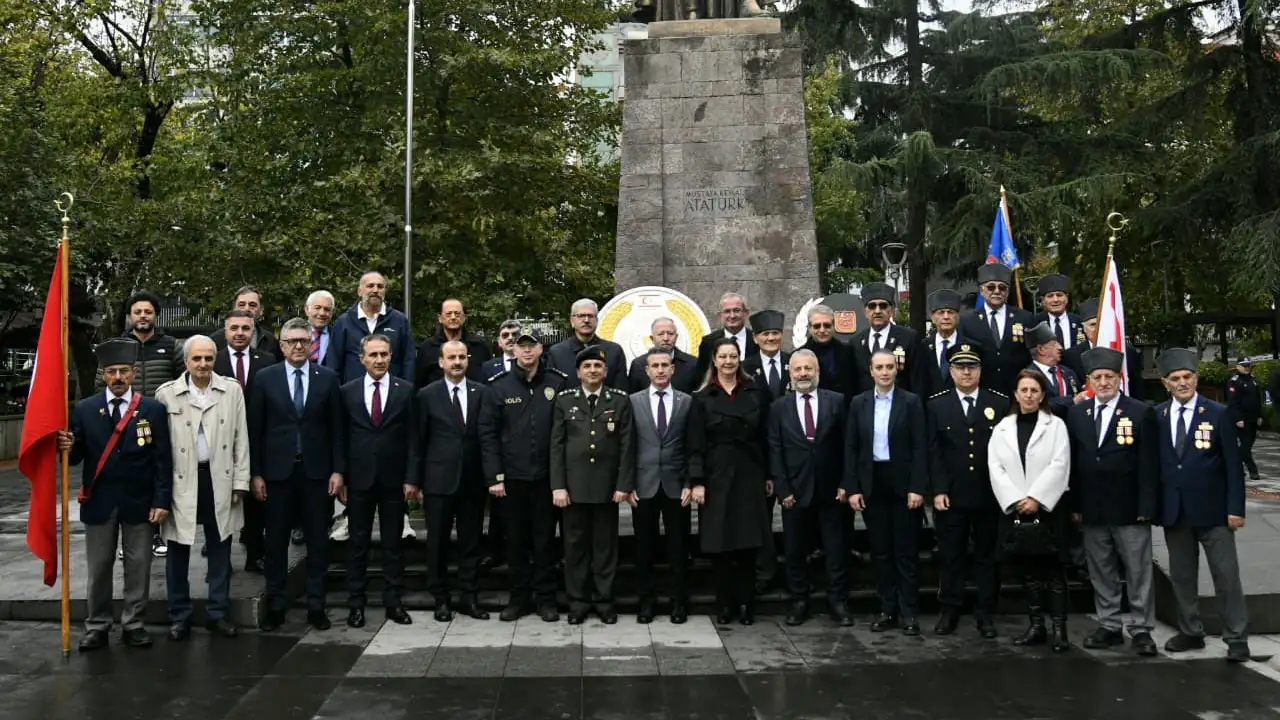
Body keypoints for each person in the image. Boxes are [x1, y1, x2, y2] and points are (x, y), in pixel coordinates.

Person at [58, 339, 172, 651]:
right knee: (98, 568)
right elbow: (77, 455)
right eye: (111, 372)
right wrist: (68, 448)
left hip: (140, 501)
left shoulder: (152, 410)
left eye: (123, 371)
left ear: (134, 373)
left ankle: (134, 623)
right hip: (99, 501)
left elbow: (163, 460)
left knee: (138, 566)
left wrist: (162, 501)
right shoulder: (84, 409)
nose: (118, 377)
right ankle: (97, 625)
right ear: (103, 375)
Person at [249, 317, 346, 632]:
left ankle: (317, 606)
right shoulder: (265, 379)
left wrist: (338, 470)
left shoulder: (328, 378)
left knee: (318, 542)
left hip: (317, 474)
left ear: (312, 344)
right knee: (275, 543)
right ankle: (276, 605)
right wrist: (256, 474)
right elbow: (255, 431)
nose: (299, 346)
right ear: (282, 345)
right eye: (292, 341)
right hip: (277, 474)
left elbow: (337, 430)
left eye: (304, 340)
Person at [1154, 348, 1250, 662]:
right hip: (1176, 512)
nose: (1182, 383)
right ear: (1165, 383)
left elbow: (1233, 467)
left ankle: (1236, 637)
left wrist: (1236, 508)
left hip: (1215, 513)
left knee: (1226, 577)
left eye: (1187, 377)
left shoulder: (1218, 413)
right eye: (1175, 379)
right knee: (1182, 578)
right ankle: (1191, 632)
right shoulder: (1157, 415)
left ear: (1196, 378)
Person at [1066, 347, 1160, 657]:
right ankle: (1109, 624)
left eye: (1109, 376)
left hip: (1130, 506)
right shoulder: (1078, 412)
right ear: (1088, 380)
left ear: (1120, 379)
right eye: (1098, 377)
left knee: (1137, 570)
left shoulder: (1140, 411)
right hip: (1092, 507)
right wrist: (1076, 505)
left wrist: (1148, 506)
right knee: (1101, 570)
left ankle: (1142, 628)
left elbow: (1149, 464)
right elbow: (1076, 462)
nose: (1104, 382)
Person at [154, 335, 247, 640]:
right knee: (178, 549)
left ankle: (218, 613)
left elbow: (240, 439)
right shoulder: (166, 394)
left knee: (220, 547)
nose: (203, 365)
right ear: (186, 361)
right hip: (183, 480)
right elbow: (160, 447)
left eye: (208, 358)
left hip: (218, 477)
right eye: (197, 359)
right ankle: (179, 615)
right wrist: (161, 490)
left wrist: (240, 482)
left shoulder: (231, 390)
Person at [478, 331, 570, 623]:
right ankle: (518, 599)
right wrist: (494, 477)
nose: (527, 351)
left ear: (541, 349)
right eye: (521, 346)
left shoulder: (558, 382)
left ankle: (545, 599)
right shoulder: (498, 386)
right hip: (511, 480)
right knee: (515, 542)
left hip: (546, 479)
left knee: (544, 542)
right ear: (512, 351)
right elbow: (488, 435)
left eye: (532, 346)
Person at [927, 343, 1008, 638]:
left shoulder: (998, 403)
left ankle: (985, 614)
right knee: (951, 556)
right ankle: (950, 610)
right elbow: (933, 452)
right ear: (951, 370)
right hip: (951, 495)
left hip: (989, 495)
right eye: (960, 367)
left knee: (988, 556)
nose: (966, 372)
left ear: (980, 370)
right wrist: (937, 489)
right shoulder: (937, 404)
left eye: (971, 366)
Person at [988, 370, 1072, 653]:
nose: (1029, 395)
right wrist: (1016, 499)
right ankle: (1036, 626)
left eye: (1034, 390)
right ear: (1015, 394)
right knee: (1028, 572)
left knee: (1053, 572)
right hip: (1016, 510)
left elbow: (1060, 465)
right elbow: (995, 468)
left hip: (1049, 509)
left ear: (1043, 395)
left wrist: (1036, 497)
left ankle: (1059, 629)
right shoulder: (1002, 428)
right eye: (1023, 390)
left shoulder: (1056, 425)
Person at [689, 337, 771, 625]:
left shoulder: (756, 391)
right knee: (720, 546)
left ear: (740, 359)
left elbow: (767, 437)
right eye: (722, 357)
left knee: (748, 545)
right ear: (714, 360)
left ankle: (747, 604)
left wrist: (769, 474)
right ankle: (724, 604)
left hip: (749, 474)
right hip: (716, 476)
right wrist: (696, 481)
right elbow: (695, 443)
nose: (727, 362)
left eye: (732, 356)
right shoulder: (701, 397)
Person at [409, 340, 493, 622]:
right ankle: (440, 599)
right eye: (451, 357)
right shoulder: (426, 395)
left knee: (471, 543)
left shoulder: (481, 393)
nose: (457, 362)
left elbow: (487, 437)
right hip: (438, 481)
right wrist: (414, 480)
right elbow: (417, 441)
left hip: (472, 481)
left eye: (461, 357)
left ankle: (469, 598)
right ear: (441, 362)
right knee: (437, 544)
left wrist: (492, 477)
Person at [845, 350, 928, 635]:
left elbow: (920, 447)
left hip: (903, 482)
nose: (884, 372)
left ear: (897, 370)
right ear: (870, 371)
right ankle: (887, 609)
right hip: (873, 482)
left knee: (905, 551)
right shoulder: (859, 403)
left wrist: (918, 487)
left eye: (889, 367)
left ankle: (909, 613)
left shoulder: (911, 401)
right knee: (880, 552)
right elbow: (852, 448)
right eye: (879, 367)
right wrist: (854, 487)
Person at [551, 347, 636, 624]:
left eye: (597, 366)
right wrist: (558, 486)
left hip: (606, 488)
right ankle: (577, 602)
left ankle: (604, 601)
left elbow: (627, 446)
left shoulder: (620, 401)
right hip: (572, 490)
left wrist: (623, 484)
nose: (592, 371)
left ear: (606, 371)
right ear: (578, 372)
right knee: (574, 549)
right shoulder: (564, 401)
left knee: (604, 548)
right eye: (586, 366)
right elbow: (556, 446)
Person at [767, 349, 851, 626]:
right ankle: (799, 600)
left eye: (808, 368)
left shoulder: (837, 402)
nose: (803, 373)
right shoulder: (779, 407)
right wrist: (783, 489)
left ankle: (838, 600)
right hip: (795, 491)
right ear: (790, 374)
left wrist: (845, 483)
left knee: (836, 549)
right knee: (794, 550)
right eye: (798, 369)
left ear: (818, 371)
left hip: (831, 490)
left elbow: (848, 446)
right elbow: (775, 449)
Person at [341, 334, 415, 629]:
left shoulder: (406, 391)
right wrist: (342, 475)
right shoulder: (346, 392)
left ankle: (393, 602)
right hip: (358, 479)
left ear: (391, 357)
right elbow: (341, 437)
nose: (379, 360)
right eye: (373, 355)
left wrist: (411, 477)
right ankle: (356, 604)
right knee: (357, 543)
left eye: (384, 354)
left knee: (393, 544)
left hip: (394, 480)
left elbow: (413, 439)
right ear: (362, 359)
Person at [109, 291, 184, 559]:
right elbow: (101, 382)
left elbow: (181, 383)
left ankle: (155, 535)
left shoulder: (172, 345)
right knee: (126, 481)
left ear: (156, 315)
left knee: (158, 479)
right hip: (122, 424)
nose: (143, 316)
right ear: (130, 316)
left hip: (159, 422)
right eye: (137, 312)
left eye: (148, 312)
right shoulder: (116, 345)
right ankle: (124, 540)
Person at [629, 347, 694, 624]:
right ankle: (647, 603)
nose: (659, 370)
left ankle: (678, 602)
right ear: (646, 370)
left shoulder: (687, 402)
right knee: (644, 548)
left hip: (677, 486)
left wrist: (691, 482)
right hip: (642, 485)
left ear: (672, 369)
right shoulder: (632, 402)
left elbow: (693, 445)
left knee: (678, 548)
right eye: (654, 365)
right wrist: (627, 483)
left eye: (664, 365)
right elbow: (627, 445)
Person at [214, 309, 275, 572]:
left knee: (256, 500)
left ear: (253, 332)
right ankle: (220, 559)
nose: (240, 333)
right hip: (221, 440)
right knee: (222, 501)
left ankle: (255, 554)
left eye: (245, 328)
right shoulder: (212, 361)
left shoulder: (268, 360)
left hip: (258, 438)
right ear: (225, 331)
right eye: (234, 328)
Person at [740, 308, 789, 591]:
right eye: (765, 334)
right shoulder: (746, 368)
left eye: (775, 333)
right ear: (756, 338)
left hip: (791, 450)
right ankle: (763, 573)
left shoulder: (796, 362)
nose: (771, 338)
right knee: (760, 517)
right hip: (759, 453)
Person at [961, 264, 1034, 395]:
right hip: (982, 392)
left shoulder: (1024, 318)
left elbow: (1032, 354)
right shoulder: (967, 321)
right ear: (981, 290)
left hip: (1018, 392)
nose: (996, 291)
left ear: (1007, 291)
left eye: (1002, 287)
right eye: (990, 287)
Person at [330, 271, 415, 383]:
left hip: (391, 395)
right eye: (370, 286)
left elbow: (408, 360)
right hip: (353, 395)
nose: (375, 290)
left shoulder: (399, 321)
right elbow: (334, 362)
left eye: (380, 287)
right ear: (359, 291)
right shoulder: (344, 322)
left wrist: (406, 390)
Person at [850, 282, 927, 395]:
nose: (877, 311)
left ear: (891, 310)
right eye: (872, 306)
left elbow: (918, 380)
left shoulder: (908, 338)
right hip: (867, 407)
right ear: (865, 312)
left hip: (901, 407)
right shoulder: (856, 342)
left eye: (883, 306)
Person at [1061, 298, 1145, 401]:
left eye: (1102, 324)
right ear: (1084, 329)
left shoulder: (1128, 352)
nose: (1098, 329)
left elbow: (1137, 389)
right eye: (1093, 325)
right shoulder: (1070, 356)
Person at [547, 298, 629, 389]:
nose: (586, 320)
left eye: (590, 316)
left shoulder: (614, 351)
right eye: (581, 316)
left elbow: (621, 391)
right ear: (572, 321)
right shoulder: (557, 353)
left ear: (597, 321)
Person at [923, 289, 990, 396]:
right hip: (929, 408)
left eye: (950, 312)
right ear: (933, 318)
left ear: (958, 317)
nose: (946, 317)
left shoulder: (972, 347)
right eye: (941, 312)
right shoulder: (922, 347)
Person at [415, 298, 494, 387]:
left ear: (464, 318)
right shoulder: (427, 348)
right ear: (440, 318)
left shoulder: (480, 346)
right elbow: (419, 383)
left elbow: (489, 378)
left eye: (457, 314)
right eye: (448, 314)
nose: (453, 317)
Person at [694, 292, 758, 382]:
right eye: (727, 311)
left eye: (736, 310)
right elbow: (701, 376)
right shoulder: (708, 342)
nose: (732, 316)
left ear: (746, 313)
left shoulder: (758, 339)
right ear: (720, 315)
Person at [1025, 321, 1083, 418]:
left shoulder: (1068, 373)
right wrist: (1071, 401)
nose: (1060, 347)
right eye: (1054, 344)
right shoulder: (1028, 377)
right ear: (1041, 349)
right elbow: (1036, 406)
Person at [210, 285, 283, 362]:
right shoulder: (215, 340)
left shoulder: (270, 340)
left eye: (252, 305)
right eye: (241, 305)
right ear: (234, 308)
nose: (246, 308)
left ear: (261, 310)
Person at [627, 317, 699, 394]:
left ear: (676, 337)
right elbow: (632, 397)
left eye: (670, 334)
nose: (666, 338)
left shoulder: (692, 363)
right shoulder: (638, 364)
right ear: (652, 338)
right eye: (661, 334)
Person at [800, 304, 857, 400]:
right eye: (817, 326)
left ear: (834, 326)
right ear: (809, 328)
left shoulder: (848, 352)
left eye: (827, 325)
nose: (822, 330)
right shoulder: (799, 355)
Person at [1226, 357, 1264, 481]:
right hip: (1242, 419)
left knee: (1246, 446)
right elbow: (1233, 402)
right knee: (1245, 446)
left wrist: (1260, 415)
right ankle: (1252, 470)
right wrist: (1238, 418)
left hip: (1253, 418)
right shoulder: (1234, 381)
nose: (1247, 367)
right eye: (1244, 365)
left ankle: (1236, 468)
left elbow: (1258, 400)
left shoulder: (1253, 380)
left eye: (1248, 365)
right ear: (1238, 367)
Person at [1032, 274, 1085, 352]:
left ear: (1066, 298)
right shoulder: (1035, 323)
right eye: (1050, 296)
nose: (1055, 300)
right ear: (1043, 300)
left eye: (1059, 295)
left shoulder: (1079, 322)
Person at [303, 290, 339, 369]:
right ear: (306, 309)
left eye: (327, 309)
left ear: (332, 313)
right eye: (317, 308)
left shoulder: (337, 336)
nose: (322, 313)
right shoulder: (293, 333)